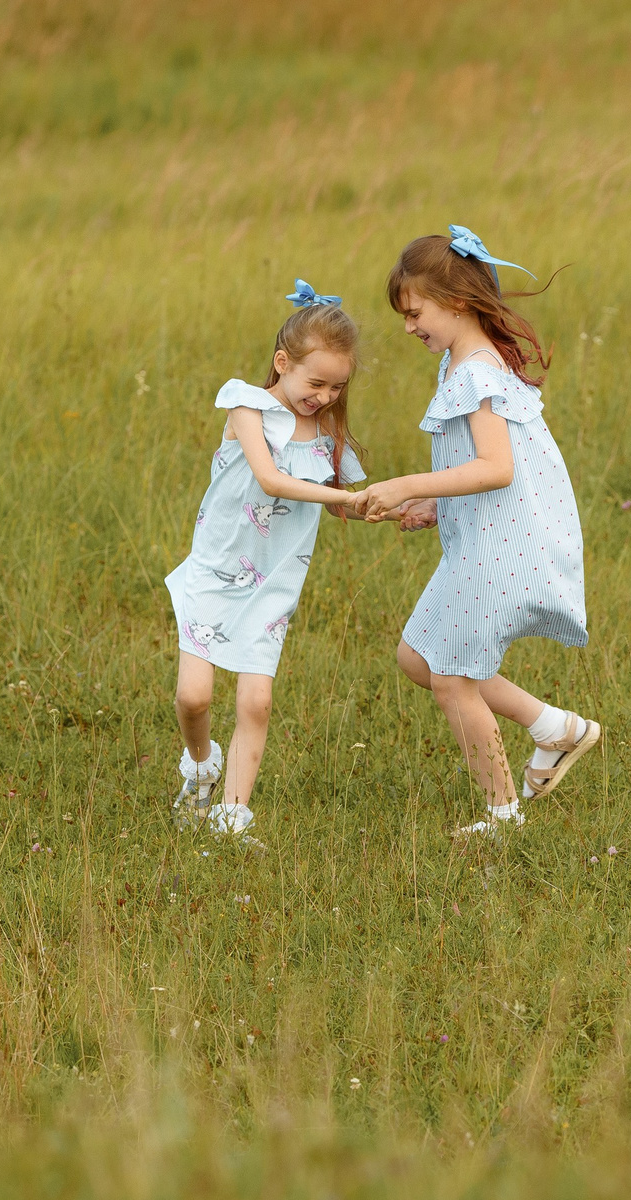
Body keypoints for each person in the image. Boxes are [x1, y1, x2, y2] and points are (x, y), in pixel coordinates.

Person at [357, 226, 600, 837]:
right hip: (480, 536)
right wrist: (434, 508)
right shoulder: (460, 362)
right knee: (418, 656)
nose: (408, 326)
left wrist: (408, 485)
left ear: (456, 301)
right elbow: (484, 466)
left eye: (415, 313)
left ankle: (502, 816)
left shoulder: (477, 374)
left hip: (499, 548)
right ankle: (554, 728)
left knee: (452, 679)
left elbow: (497, 467)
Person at [165, 281, 366, 841]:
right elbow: (271, 478)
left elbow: (347, 504)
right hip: (216, 568)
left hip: (274, 581)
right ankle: (200, 765)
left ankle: (231, 822)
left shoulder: (327, 434)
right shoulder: (245, 405)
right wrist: (346, 498)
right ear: (283, 362)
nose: (325, 396)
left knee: (256, 700)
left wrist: (404, 506)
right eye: (316, 382)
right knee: (194, 696)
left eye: (337, 386)